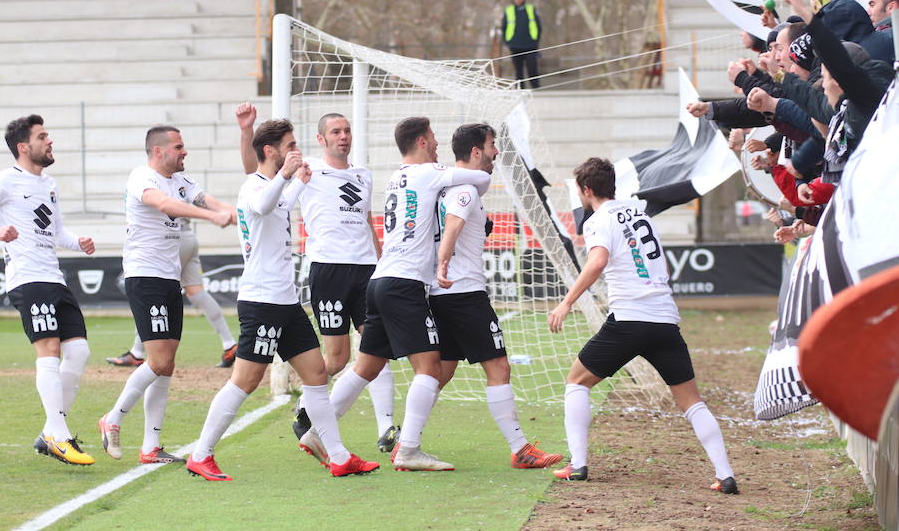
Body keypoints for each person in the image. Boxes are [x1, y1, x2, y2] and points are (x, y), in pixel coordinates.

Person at [186, 119, 379, 480]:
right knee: (245, 380)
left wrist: (297, 182)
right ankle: (201, 454)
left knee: (317, 373)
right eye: (289, 145)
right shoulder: (253, 187)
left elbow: (279, 205)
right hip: (262, 302)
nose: (295, 150)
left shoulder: (272, 188)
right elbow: (261, 207)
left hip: (286, 302)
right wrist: (286, 176)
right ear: (271, 151)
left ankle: (338, 456)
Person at [297, 116, 490, 472]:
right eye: (432, 138)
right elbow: (482, 177)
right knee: (430, 367)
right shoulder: (429, 172)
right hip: (404, 283)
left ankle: (317, 432)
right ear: (420, 142)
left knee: (366, 366)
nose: (436, 143)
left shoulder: (394, 176)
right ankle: (409, 450)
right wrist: (449, 170)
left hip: (379, 278)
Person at [547, 157, 737, 493]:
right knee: (692, 401)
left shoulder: (597, 220)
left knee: (576, 382)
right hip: (665, 320)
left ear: (587, 190)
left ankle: (578, 465)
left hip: (629, 320)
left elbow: (598, 261)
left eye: (578, 190)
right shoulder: (637, 211)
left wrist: (566, 302)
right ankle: (725, 474)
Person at [237, 106, 396, 452]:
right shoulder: (305, 168)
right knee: (336, 359)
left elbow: (368, 221)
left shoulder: (364, 175)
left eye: (347, 130)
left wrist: (382, 262)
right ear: (321, 139)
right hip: (328, 270)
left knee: (376, 346)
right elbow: (256, 174)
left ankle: (386, 429)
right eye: (336, 132)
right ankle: (308, 407)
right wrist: (246, 132)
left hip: (366, 269)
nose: (343, 137)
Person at [98, 126, 234, 464]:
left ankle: (151, 447)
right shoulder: (142, 177)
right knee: (157, 361)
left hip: (168, 278)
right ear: (158, 151)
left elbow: (206, 198)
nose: (184, 152)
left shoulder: (182, 181)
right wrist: (212, 216)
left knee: (167, 364)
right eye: (179, 147)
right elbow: (164, 204)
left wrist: (236, 211)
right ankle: (112, 418)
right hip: (146, 277)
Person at [432, 123, 562, 469]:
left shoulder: (441, 188)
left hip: (441, 294)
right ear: (475, 151)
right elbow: (455, 227)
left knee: (441, 373)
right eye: (491, 145)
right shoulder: (464, 189)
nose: (495, 152)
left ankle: (404, 440)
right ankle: (520, 449)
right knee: (498, 367)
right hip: (462, 294)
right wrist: (443, 264)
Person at [0, 115, 95, 466]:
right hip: (27, 277)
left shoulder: (50, 184)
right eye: (43, 136)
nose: (50, 141)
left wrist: (79, 242)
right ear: (24, 147)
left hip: (54, 277)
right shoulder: (7, 181)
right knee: (50, 349)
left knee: (80, 352)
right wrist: (0, 232)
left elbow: (55, 232)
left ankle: (49, 432)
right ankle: (59, 434)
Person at [105, 219, 238, 369]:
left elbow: (162, 205)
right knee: (196, 293)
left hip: (170, 239)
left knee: (150, 293)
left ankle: (136, 353)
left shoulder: (156, 194)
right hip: (188, 236)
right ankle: (229, 344)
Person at [501, 0, 542, 89]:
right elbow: (504, 27)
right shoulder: (509, 10)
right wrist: (507, 42)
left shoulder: (531, 9)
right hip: (515, 46)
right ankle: (520, 89)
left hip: (530, 45)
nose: (518, 0)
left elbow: (538, 25)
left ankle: (536, 88)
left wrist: (536, 40)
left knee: (532, 68)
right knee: (518, 70)